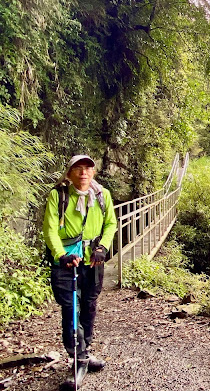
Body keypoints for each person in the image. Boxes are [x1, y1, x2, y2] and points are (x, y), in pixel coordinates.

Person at [43, 155, 117, 390]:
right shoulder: (59, 195)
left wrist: (103, 247)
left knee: (89, 304)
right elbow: (50, 228)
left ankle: (84, 351)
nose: (83, 173)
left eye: (88, 169)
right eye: (78, 168)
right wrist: (60, 254)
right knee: (69, 307)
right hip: (66, 261)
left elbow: (111, 224)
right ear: (69, 173)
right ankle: (79, 355)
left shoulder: (102, 195)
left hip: (93, 261)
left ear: (93, 173)